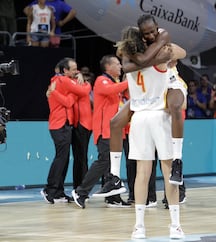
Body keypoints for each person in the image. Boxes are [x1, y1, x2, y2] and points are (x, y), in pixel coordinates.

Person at [93, 14, 187, 198]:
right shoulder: (136, 51)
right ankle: (114, 178)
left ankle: (178, 160)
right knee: (115, 123)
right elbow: (130, 66)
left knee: (175, 108)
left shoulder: (163, 37)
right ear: (141, 37)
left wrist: (155, 58)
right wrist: (140, 58)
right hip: (148, 94)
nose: (151, 35)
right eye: (147, 34)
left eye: (153, 31)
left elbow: (147, 60)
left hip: (170, 83)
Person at [116, 26, 186, 240]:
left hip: (139, 118)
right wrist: (161, 39)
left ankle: (139, 227)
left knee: (142, 174)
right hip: (158, 116)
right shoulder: (161, 58)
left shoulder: (128, 62)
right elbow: (181, 52)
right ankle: (175, 226)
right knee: (168, 173)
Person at [71, 55, 129, 209]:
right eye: (117, 64)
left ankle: (113, 197)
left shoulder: (115, 82)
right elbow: (112, 90)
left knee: (112, 165)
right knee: (103, 161)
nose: (120, 67)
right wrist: (129, 82)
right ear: (108, 67)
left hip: (115, 130)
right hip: (104, 130)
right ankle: (81, 192)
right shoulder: (102, 81)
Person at [41, 57, 90, 203]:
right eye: (74, 69)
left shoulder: (59, 81)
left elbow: (68, 98)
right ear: (65, 71)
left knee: (64, 159)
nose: (76, 72)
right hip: (59, 125)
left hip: (63, 124)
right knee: (61, 158)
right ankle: (49, 189)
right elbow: (82, 92)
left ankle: (58, 192)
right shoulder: (63, 80)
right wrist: (85, 83)